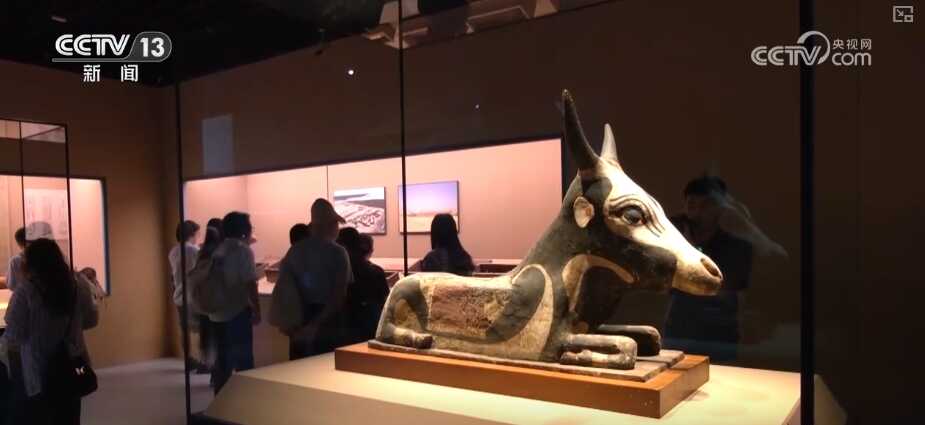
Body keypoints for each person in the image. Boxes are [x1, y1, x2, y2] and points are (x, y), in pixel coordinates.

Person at [663, 175, 784, 362]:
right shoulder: (674, 238)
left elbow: (724, 291)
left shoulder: (735, 246)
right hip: (679, 331)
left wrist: (746, 226)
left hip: (718, 334)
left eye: (706, 205)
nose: (698, 212)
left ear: (720, 209)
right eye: (692, 204)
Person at [2, 238, 99, 424]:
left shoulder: (26, 291)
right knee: (70, 415)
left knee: (41, 416)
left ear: (31, 263)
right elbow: (91, 320)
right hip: (72, 364)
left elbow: (14, 336)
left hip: (38, 371)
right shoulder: (79, 285)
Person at [271, 199, 352, 359]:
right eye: (335, 224)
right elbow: (338, 296)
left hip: (299, 317)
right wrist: (315, 326)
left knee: (299, 368)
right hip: (328, 321)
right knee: (325, 368)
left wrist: (296, 327)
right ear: (331, 225)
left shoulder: (295, 251)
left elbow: (283, 290)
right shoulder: (338, 252)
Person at [209, 212, 261, 393]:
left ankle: (220, 402)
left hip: (216, 313)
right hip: (236, 311)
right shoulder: (242, 250)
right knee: (244, 362)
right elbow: (249, 283)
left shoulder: (219, 249)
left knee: (223, 362)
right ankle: (244, 401)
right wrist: (257, 310)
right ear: (244, 228)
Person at [168, 220, 207, 372]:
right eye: (197, 234)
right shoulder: (194, 250)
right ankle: (204, 362)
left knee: (185, 329)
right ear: (192, 234)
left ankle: (188, 360)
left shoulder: (173, 251)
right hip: (194, 296)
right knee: (203, 329)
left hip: (179, 295)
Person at [338, 230, 389, 344]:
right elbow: (384, 299)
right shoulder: (376, 271)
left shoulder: (341, 270)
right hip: (371, 323)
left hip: (348, 323)